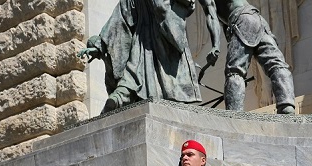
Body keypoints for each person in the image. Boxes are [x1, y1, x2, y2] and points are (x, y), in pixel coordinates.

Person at [84, 0, 219, 112]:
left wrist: (101, 44)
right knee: (138, 63)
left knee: (139, 65)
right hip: (154, 33)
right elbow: (123, 12)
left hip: (160, 34)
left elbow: (122, 14)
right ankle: (123, 93)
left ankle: (122, 94)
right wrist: (100, 44)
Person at [205, 0, 295, 113]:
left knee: (234, 71)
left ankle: (235, 116)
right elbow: (225, 24)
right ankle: (286, 107)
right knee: (276, 64)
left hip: (241, 19)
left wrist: (215, 46)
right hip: (258, 19)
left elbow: (211, 15)